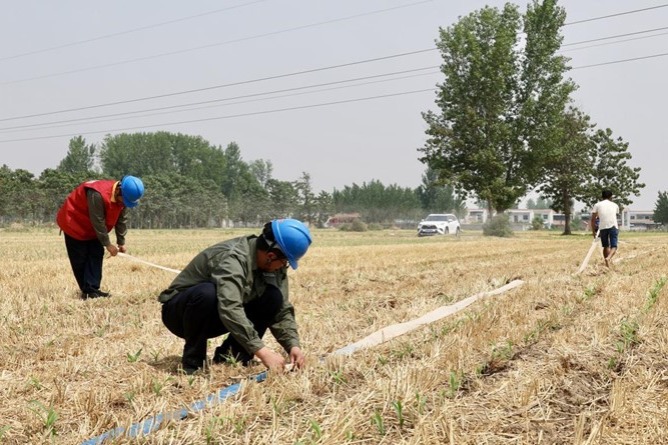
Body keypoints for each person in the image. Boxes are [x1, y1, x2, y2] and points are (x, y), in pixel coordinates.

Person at [158, 219, 312, 375]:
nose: (284, 267)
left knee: (273, 297)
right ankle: (193, 364)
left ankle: (232, 357)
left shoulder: (273, 265)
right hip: (180, 315)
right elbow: (229, 307)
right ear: (271, 256)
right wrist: (262, 352)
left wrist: (293, 345)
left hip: (216, 315)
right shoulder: (232, 259)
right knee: (207, 293)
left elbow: (282, 309)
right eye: (285, 262)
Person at [57, 176, 145, 299]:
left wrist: (121, 242)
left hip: (93, 228)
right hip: (74, 222)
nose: (124, 204)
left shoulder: (123, 198)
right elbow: (97, 220)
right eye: (124, 200)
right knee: (80, 258)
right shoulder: (97, 194)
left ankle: (92, 289)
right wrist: (108, 244)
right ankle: (87, 291)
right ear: (119, 190)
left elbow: (121, 220)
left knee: (96, 253)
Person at [590, 189, 620, 267]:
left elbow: (593, 219)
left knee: (605, 246)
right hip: (613, 226)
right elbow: (615, 215)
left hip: (602, 227)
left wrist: (594, 232)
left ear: (602, 196)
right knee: (614, 246)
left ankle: (607, 264)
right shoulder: (615, 205)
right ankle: (608, 258)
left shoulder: (597, 205)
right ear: (611, 197)